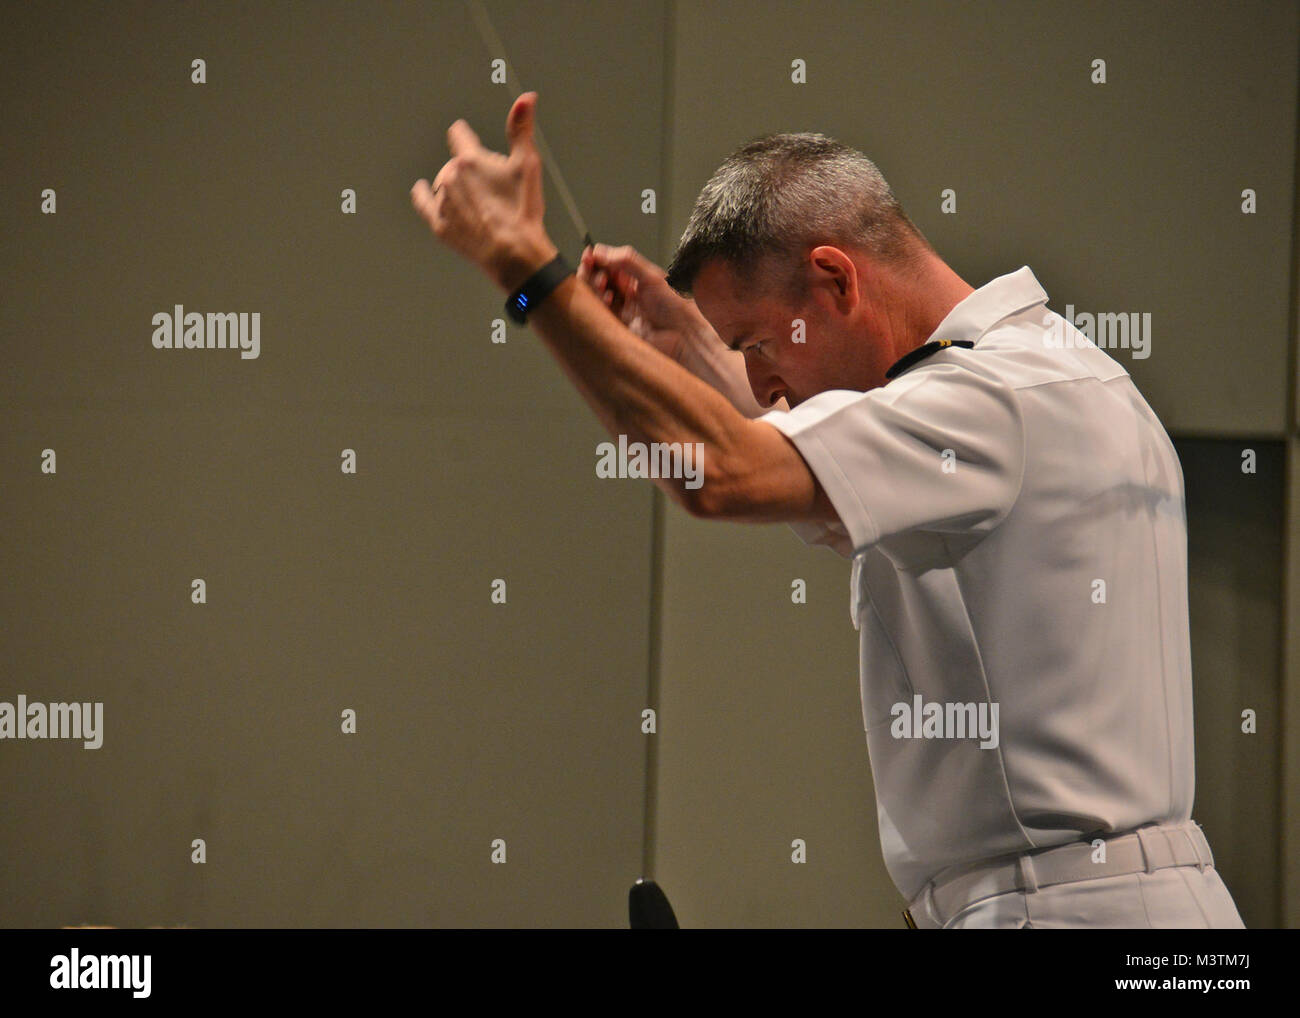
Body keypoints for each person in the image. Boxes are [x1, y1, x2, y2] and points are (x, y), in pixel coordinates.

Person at [411, 92, 1246, 928]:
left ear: (837, 278)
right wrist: (692, 350)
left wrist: (527, 278)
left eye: (762, 347)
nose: (768, 389)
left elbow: (717, 473)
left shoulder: (984, 402)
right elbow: (792, 429)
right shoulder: (1044, 368)